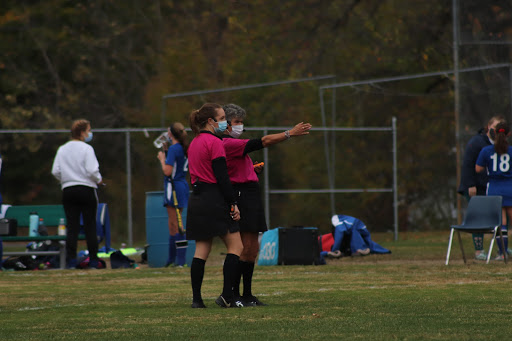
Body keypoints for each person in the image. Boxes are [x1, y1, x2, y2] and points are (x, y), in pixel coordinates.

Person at [222, 103, 312, 306]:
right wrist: (290, 133)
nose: (240, 126)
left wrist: (252, 170)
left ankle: (247, 294)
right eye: (237, 122)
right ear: (226, 124)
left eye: (242, 122)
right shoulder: (227, 142)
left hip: (251, 193)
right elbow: (263, 141)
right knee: (243, 247)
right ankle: (233, 294)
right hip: (241, 194)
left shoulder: (234, 143)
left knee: (252, 248)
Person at [186, 103, 243, 308]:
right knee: (236, 246)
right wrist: (233, 203)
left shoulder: (194, 142)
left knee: (201, 249)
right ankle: (227, 295)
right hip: (213, 197)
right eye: (221, 118)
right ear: (210, 121)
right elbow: (222, 177)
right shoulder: (215, 142)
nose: (225, 122)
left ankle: (197, 300)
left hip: (197, 198)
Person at [51, 119, 104, 269]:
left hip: (68, 190)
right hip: (86, 189)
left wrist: (66, 180)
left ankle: (71, 261)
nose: (89, 133)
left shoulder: (62, 149)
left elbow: (55, 171)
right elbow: (92, 170)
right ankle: (93, 261)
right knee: (90, 226)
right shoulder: (86, 149)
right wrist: (98, 180)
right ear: (82, 133)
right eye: (88, 130)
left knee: (72, 227)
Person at [457, 115, 504, 260]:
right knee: (478, 218)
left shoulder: (501, 145)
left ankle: (501, 249)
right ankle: (479, 250)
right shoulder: (477, 142)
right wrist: (471, 184)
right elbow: (468, 164)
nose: (496, 131)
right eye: (494, 127)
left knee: (497, 217)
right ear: (488, 127)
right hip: (475, 187)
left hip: (490, 187)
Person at [476, 121, 512, 260]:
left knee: (500, 223)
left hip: (495, 188)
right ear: (508, 134)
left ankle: (502, 253)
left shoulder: (487, 150)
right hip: (510, 188)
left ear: (494, 133)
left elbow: (478, 168)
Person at [157, 122, 189, 267]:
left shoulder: (175, 148)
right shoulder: (181, 147)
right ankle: (171, 260)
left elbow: (168, 171)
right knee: (173, 224)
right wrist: (166, 151)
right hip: (181, 185)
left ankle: (180, 261)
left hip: (174, 187)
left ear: (171, 134)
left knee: (176, 223)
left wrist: (162, 160)